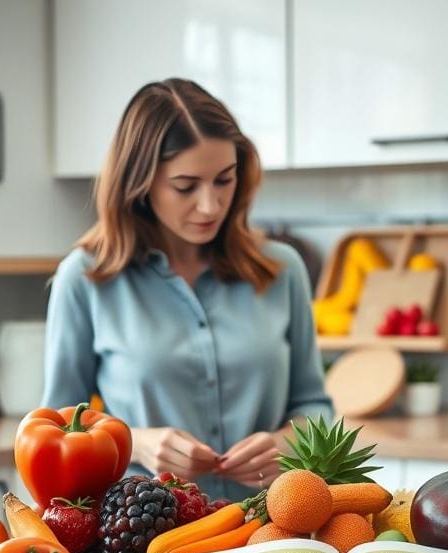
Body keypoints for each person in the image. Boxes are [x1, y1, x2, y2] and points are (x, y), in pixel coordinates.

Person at [42, 78, 333, 502]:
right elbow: (55, 433)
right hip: (146, 546)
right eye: (185, 186)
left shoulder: (281, 269)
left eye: (224, 180)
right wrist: (135, 443)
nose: (211, 205)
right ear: (140, 182)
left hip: (265, 528)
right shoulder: (85, 279)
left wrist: (290, 442)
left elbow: (315, 406)